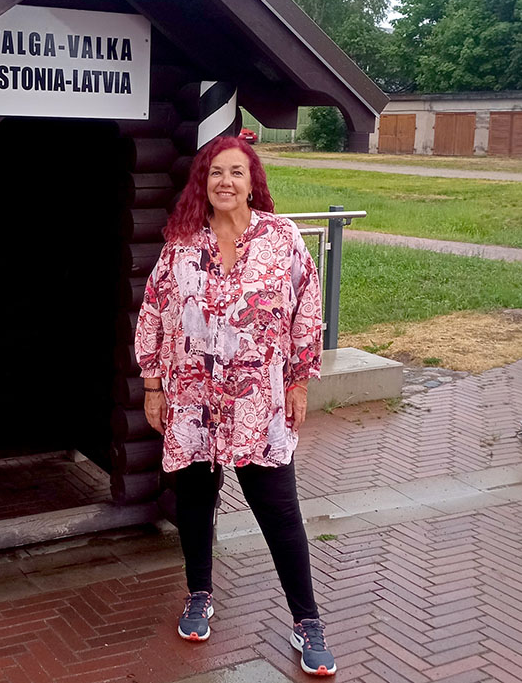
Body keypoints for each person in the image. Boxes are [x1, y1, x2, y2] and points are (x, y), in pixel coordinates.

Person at [134, 135, 336, 677]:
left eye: (236, 173)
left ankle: (307, 620)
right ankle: (199, 593)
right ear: (203, 182)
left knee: (279, 510)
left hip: (257, 405)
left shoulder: (282, 239)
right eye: (216, 172)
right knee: (195, 500)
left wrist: (299, 382)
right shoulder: (180, 245)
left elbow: (306, 311)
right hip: (192, 399)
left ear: (252, 183)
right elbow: (153, 311)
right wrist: (153, 386)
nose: (225, 182)